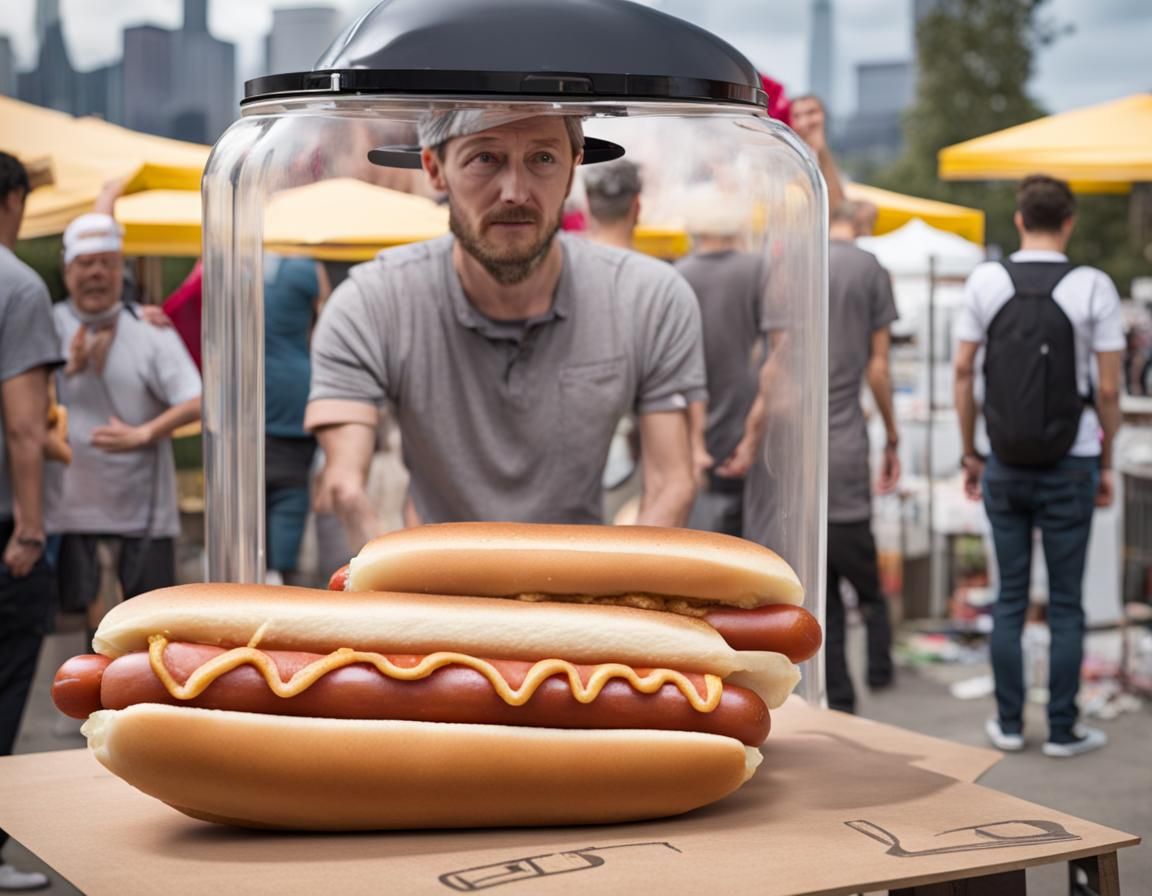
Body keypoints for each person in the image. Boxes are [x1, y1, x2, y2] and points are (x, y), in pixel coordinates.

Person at [306, 110, 704, 539]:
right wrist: (386, 588)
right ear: (435, 170)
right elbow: (346, 487)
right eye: (485, 158)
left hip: (577, 590)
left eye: (543, 159)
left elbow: (672, 483)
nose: (515, 192)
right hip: (432, 588)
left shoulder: (649, 298)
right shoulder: (370, 304)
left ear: (573, 171)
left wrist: (625, 596)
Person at [954, 175, 1124, 757]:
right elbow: (1107, 388)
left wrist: (971, 452)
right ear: (1069, 221)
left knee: (1010, 598)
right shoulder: (1094, 286)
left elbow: (961, 374)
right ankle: (1062, 728)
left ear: (1020, 219)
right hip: (1072, 459)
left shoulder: (985, 281)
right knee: (1068, 602)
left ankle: (1006, 724)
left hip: (1003, 458)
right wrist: (1104, 459)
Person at [48, 213, 202, 634]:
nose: (97, 273)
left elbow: (198, 400)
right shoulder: (48, 325)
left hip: (144, 513)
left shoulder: (148, 328)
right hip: (68, 512)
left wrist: (145, 433)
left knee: (146, 633)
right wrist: (67, 367)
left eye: (107, 262)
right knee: (82, 639)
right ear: (67, 271)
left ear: (122, 270)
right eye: (86, 263)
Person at [0, 151, 59, 892]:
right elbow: (23, 426)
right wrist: (32, 527)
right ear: (11, 201)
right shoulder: (17, 286)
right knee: (8, 675)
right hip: (0, 527)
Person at [823, 199, 900, 714]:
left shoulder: (801, 259)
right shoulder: (871, 270)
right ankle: (879, 668)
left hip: (803, 450)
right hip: (848, 445)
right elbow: (878, 369)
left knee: (821, 586)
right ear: (866, 225)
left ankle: (840, 696)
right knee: (867, 582)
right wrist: (893, 434)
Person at [674, 193, 775, 537]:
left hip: (687, 423)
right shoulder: (758, 268)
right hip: (747, 418)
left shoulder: (678, 274)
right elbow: (776, 351)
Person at [263, 254, 328, 584]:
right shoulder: (305, 267)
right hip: (294, 398)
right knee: (290, 494)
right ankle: (279, 574)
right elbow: (329, 325)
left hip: (240, 399)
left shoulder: (226, 261)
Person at [789, 94, 845, 213]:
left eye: (811, 112)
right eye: (796, 116)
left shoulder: (828, 154)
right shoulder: (789, 157)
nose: (804, 122)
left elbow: (838, 201)